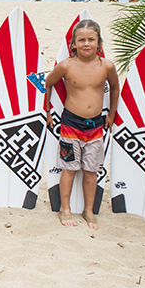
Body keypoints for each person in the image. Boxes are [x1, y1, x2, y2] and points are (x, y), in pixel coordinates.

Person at [44, 19, 120, 230]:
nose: (87, 43)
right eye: (82, 40)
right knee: (69, 169)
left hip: (96, 128)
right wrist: (48, 111)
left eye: (91, 39)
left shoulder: (106, 66)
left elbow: (115, 88)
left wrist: (111, 114)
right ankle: (65, 209)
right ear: (74, 44)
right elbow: (48, 83)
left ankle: (88, 210)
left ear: (99, 42)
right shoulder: (67, 66)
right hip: (70, 126)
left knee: (91, 171)